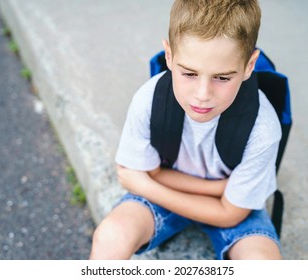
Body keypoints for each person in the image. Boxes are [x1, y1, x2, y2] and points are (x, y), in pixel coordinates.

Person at [90, 0, 282, 260]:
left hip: (229, 206)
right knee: (111, 236)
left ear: (249, 65)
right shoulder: (150, 99)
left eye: (222, 77)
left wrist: (147, 185)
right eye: (189, 74)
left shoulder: (263, 127)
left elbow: (230, 214)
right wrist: (219, 188)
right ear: (169, 56)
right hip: (211, 194)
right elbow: (142, 172)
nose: (203, 95)